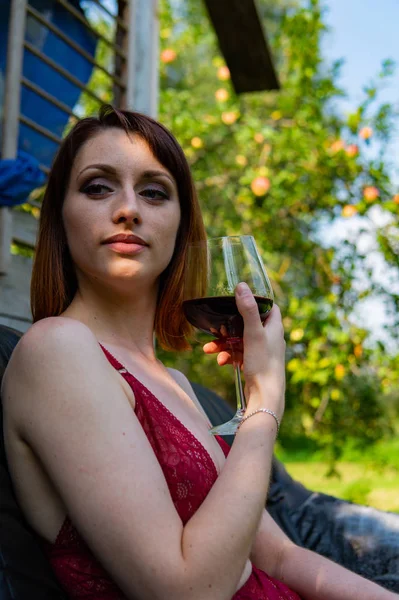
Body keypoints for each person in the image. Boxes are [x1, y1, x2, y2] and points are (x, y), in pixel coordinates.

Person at [1, 105, 397, 600]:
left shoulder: (176, 383)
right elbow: (188, 590)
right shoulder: (56, 351)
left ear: (181, 229)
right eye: (98, 186)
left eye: (154, 192)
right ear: (60, 217)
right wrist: (264, 400)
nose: (129, 209)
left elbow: (278, 555)